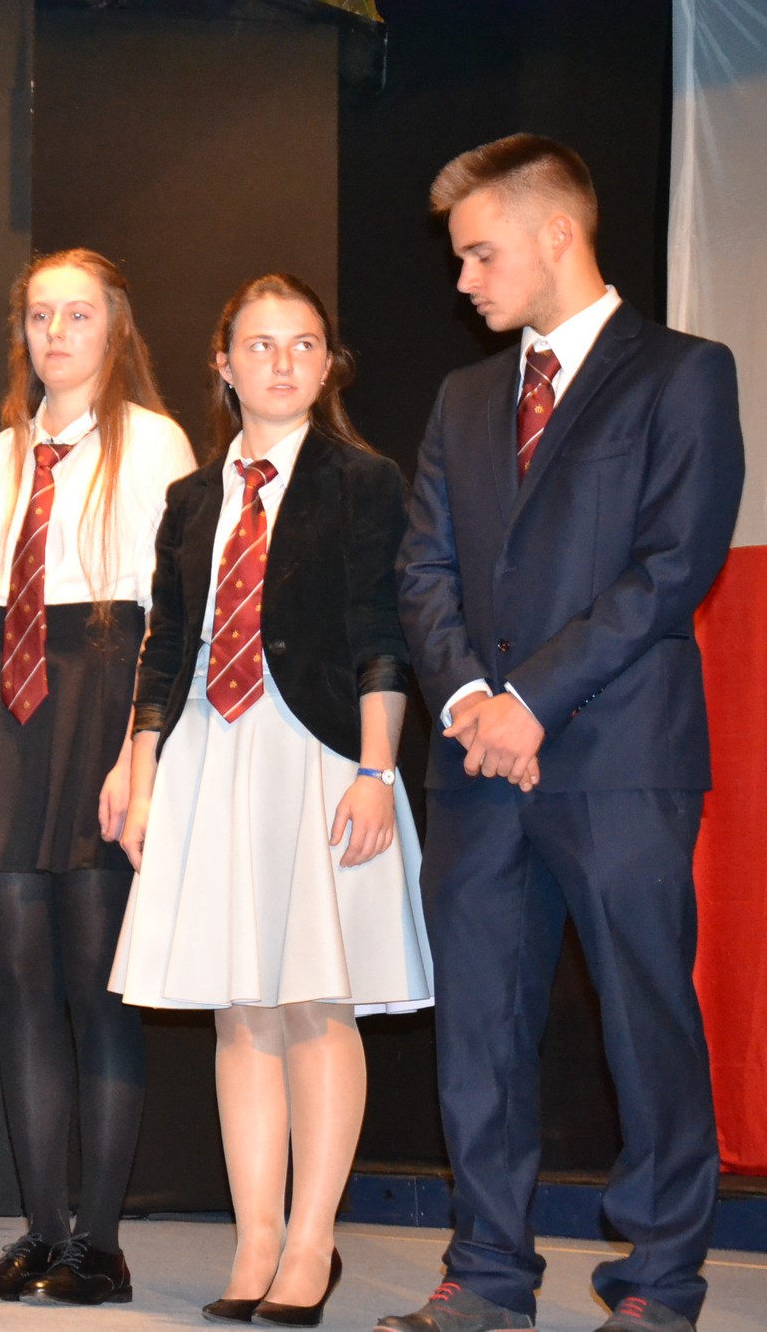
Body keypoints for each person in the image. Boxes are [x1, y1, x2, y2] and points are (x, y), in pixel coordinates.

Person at [385, 136, 743, 1332]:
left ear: (555, 234)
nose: (462, 280)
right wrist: (465, 704)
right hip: (475, 766)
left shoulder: (682, 373)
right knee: (479, 1028)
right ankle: (487, 1273)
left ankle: (657, 1283)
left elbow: (671, 566)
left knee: (644, 1025)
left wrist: (528, 700)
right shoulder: (462, 398)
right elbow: (422, 569)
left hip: (617, 759)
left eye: (479, 253)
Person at [110, 273, 433, 1328]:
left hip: (319, 754)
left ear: (327, 363)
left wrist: (376, 771)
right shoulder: (190, 499)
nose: (282, 362)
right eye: (259, 344)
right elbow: (164, 647)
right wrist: (140, 769)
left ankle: (310, 1241)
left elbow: (382, 631)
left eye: (302, 344)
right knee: (239, 1007)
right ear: (223, 363)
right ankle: (254, 1236)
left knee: (313, 1000)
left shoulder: (363, 480)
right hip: (212, 750)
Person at [0, 249, 196, 1305]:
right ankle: (41, 1231)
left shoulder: (154, 443)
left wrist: (137, 748)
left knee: (94, 983)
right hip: (0, 707)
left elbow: (168, 612)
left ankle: (100, 1243)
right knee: (21, 987)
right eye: (40, 316)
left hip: (102, 692)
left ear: (113, 327)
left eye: (77, 315)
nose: (57, 334)